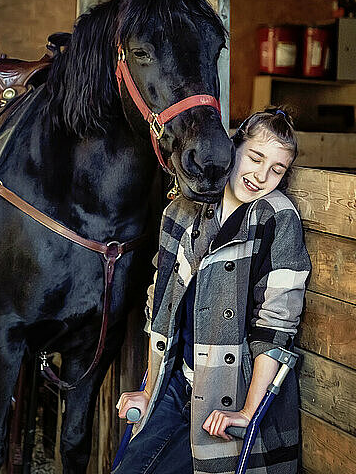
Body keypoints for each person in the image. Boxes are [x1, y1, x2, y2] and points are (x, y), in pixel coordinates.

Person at [115, 107, 311, 474]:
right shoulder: (182, 211)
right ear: (233, 149)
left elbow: (276, 325)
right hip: (177, 384)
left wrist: (247, 413)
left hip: (229, 392)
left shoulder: (276, 218)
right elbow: (161, 306)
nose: (261, 175)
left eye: (277, 170)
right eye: (256, 157)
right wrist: (148, 389)